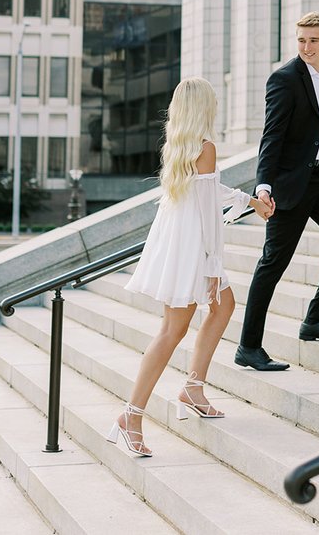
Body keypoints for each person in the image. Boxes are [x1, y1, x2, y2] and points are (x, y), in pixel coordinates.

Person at [106, 76, 272, 457]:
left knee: (223, 306)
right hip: (194, 248)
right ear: (204, 108)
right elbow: (208, 213)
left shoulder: (180, 145)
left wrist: (249, 201)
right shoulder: (206, 147)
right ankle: (131, 416)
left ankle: (193, 388)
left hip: (179, 243)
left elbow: (208, 193)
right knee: (172, 331)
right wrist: (213, 265)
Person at [235, 12, 319, 371]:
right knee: (273, 263)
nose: (306, 47)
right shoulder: (284, 79)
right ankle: (248, 347)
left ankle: (315, 321)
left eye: (312, 40)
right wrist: (263, 187)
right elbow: (271, 136)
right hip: (291, 186)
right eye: (300, 40)